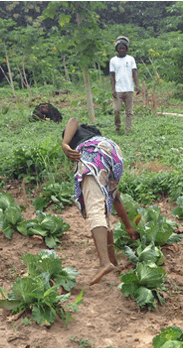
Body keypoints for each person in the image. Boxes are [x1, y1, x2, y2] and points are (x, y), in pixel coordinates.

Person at [56, 110, 133, 286]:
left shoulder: (81, 140)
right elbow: (116, 198)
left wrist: (65, 144)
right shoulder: (99, 139)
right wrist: (129, 227)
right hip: (113, 153)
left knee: (95, 209)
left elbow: (74, 118)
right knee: (105, 208)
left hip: (93, 156)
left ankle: (104, 263)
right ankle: (113, 262)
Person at [107, 36, 139, 135]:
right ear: (117, 49)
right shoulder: (113, 60)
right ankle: (118, 125)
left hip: (129, 89)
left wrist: (137, 85)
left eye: (123, 48)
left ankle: (127, 130)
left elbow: (134, 73)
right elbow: (112, 76)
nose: (121, 50)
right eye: (119, 48)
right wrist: (113, 89)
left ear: (126, 49)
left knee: (129, 112)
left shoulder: (131, 59)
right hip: (118, 89)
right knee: (116, 110)